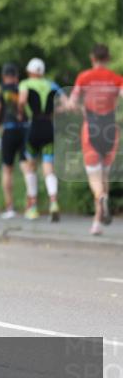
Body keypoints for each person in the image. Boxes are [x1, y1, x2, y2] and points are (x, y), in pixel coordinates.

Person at [68, 43, 123, 235]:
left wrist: (73, 106)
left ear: (92, 58)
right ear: (107, 59)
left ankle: (100, 200)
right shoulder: (117, 79)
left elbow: (73, 103)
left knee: (94, 177)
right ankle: (97, 223)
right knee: (104, 175)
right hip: (110, 129)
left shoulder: (84, 77)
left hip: (90, 129)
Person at [18, 58, 63, 222]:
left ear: (30, 71)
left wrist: (20, 111)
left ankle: (33, 206)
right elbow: (65, 104)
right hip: (49, 127)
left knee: (30, 167)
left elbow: (22, 100)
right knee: (48, 167)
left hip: (34, 126)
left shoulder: (25, 84)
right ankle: (53, 202)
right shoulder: (52, 85)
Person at [0, 63, 29, 219]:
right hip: (25, 128)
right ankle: (30, 206)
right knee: (26, 167)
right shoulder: (23, 88)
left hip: (9, 129)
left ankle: (10, 208)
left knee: (7, 169)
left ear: (3, 75)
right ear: (16, 76)